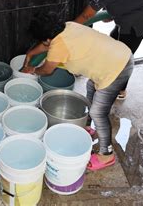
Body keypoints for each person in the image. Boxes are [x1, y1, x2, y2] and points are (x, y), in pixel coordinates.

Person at [22, 12, 134, 170]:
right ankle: (87, 126)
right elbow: (47, 44)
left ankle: (106, 155)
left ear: (47, 39)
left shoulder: (58, 46)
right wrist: (31, 53)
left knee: (98, 112)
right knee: (90, 87)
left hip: (117, 69)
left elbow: (47, 70)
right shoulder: (68, 26)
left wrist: (33, 69)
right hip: (119, 54)